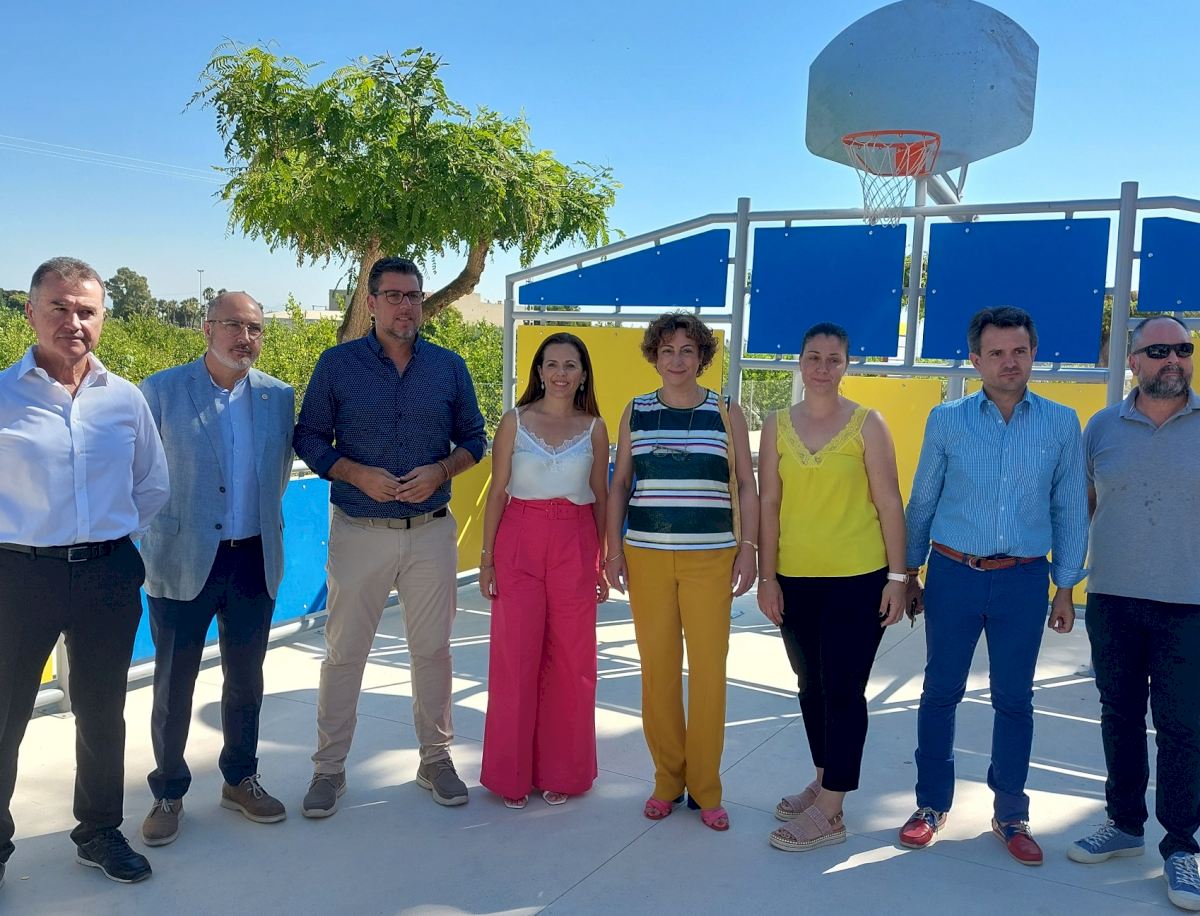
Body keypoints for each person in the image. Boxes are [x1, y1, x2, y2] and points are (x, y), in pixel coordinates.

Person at [293, 257, 487, 816]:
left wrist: (442, 470)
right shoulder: (338, 364)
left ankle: (436, 760)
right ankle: (329, 769)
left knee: (433, 653)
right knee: (344, 654)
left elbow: (474, 439)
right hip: (360, 531)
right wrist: (356, 473)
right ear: (371, 302)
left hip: (430, 532)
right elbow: (308, 437)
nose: (406, 306)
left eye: (414, 296)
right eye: (395, 296)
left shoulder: (449, 367)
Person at [0, 257, 169, 887]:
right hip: (19, 576)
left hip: (106, 574)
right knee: (5, 714)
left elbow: (152, 483)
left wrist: (108, 536)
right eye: (60, 307)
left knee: (102, 711)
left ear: (102, 318)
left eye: (87, 311)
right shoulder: (3, 394)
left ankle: (98, 830)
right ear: (31, 312)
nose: (73, 321)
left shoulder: (124, 398)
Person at [899, 305, 1088, 866]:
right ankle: (931, 805)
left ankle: (1010, 813)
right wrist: (908, 572)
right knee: (940, 693)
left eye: (1019, 351)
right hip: (953, 574)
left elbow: (1070, 507)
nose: (1009, 362)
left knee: (1014, 698)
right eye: (997, 353)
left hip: (1023, 580)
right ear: (975, 360)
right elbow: (923, 500)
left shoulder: (1061, 422)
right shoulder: (947, 420)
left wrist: (1065, 586)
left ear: (1034, 354)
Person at [137, 292, 295, 847]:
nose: (244, 338)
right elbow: (141, 474)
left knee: (246, 680)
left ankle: (240, 778)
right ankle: (168, 792)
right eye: (233, 325)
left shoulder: (279, 396)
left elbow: (278, 472)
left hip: (253, 556)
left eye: (255, 328)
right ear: (207, 329)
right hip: (181, 557)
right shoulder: (160, 390)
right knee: (173, 684)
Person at [757, 322, 908, 852]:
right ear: (800, 361)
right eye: (814, 357)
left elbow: (889, 501)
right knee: (810, 685)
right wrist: (768, 576)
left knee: (843, 688)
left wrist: (898, 578)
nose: (822, 367)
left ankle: (833, 809)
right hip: (795, 579)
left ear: (847, 364)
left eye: (834, 358)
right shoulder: (776, 424)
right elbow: (769, 502)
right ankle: (824, 779)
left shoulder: (868, 423)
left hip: (857, 579)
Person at [605, 312, 758, 832]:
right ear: (655, 355)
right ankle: (667, 780)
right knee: (659, 672)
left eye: (687, 350)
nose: (677, 359)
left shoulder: (726, 411)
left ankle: (706, 787)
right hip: (646, 556)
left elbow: (746, 485)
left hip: (711, 558)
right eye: (667, 349)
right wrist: (613, 550)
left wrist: (748, 548)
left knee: (709, 673)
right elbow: (620, 483)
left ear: (702, 357)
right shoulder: (636, 410)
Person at [1068, 315, 1200, 911]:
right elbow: (1084, 507)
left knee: (1182, 728)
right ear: (1134, 362)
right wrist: (1064, 584)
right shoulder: (1101, 427)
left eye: (1183, 349)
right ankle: (1124, 824)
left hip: (1189, 605)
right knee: (1118, 715)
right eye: (1159, 350)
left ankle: (1183, 846)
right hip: (1113, 599)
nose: (1173, 359)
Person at [478, 332, 609, 809]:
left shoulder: (595, 428)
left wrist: (601, 562)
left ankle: (563, 771)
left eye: (570, 365)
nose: (560, 374)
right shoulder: (514, 421)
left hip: (575, 542)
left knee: (573, 661)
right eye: (552, 364)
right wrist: (487, 558)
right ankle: (510, 776)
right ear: (538, 371)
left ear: (583, 374)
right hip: (519, 540)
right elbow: (497, 491)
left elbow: (600, 498)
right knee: (514, 658)